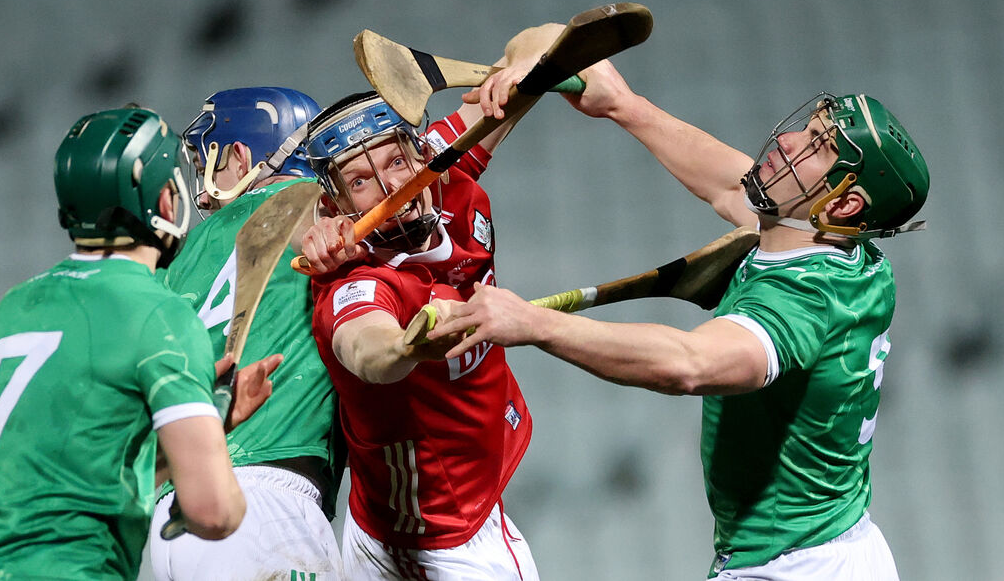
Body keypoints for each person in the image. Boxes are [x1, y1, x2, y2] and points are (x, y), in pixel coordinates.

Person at [428, 31, 929, 580]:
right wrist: (624, 106)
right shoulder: (849, 252)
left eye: (818, 147)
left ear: (847, 202)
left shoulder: (805, 298)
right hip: (832, 550)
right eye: (807, 130)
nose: (789, 142)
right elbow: (727, 186)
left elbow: (688, 365)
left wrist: (533, 324)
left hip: (793, 566)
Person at [0, 106, 282, 581]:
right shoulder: (161, 314)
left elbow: (87, 473)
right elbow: (213, 512)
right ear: (164, 199)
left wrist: (207, 424)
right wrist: (209, 458)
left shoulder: (15, 306)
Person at [299, 84, 539, 581]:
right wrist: (413, 342)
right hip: (433, 534)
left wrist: (514, 71)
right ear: (337, 205)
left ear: (422, 151)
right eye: (361, 181)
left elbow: (542, 49)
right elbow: (368, 349)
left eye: (395, 163)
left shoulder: (446, 172)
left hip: (457, 501)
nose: (391, 188)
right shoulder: (356, 281)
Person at [148, 87, 347, 581]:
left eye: (207, 160)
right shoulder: (310, 204)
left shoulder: (177, 257)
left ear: (237, 154)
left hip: (173, 511)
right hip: (266, 494)